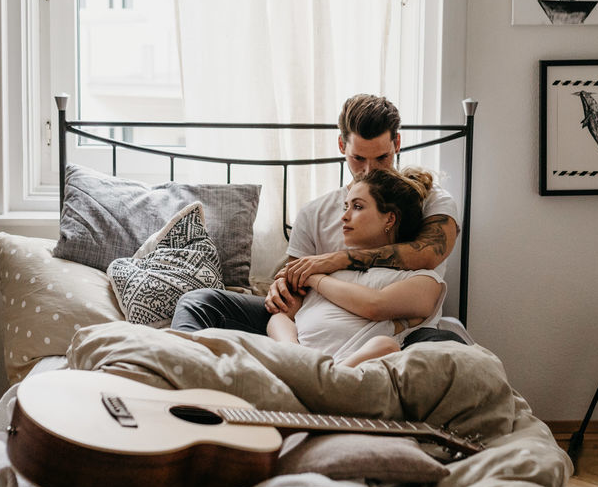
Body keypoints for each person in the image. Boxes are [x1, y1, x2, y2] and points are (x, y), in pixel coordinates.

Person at [171, 93, 464, 343]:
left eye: (382, 158)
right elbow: (293, 282)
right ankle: (180, 380)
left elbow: (427, 254)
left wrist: (335, 260)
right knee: (200, 302)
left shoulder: (431, 199)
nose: (370, 169)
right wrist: (281, 289)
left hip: (398, 329)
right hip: (314, 323)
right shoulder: (316, 212)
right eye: (359, 159)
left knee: (449, 348)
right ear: (342, 147)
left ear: (397, 143)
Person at [267, 168, 447, 366]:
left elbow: (375, 306)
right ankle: (308, 376)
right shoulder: (330, 270)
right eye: (346, 207)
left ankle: (327, 379)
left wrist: (314, 278)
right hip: (296, 362)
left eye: (358, 207)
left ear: (389, 219)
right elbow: (281, 317)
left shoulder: (424, 280)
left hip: (348, 368)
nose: (344, 216)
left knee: (384, 346)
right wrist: (292, 350)